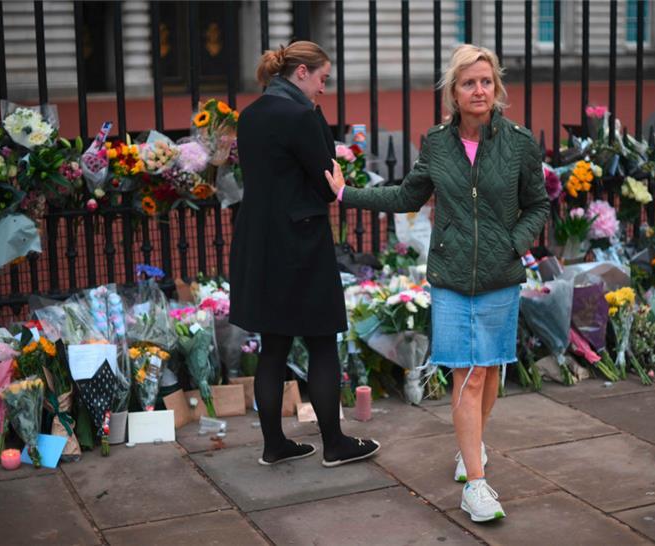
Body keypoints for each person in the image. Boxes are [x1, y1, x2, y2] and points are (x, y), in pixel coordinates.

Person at [325, 44, 549, 522]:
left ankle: (472, 446)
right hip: (451, 276)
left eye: (486, 81)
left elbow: (538, 204)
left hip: (501, 274)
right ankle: (476, 486)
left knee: (489, 369)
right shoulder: (437, 143)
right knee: (468, 376)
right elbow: (406, 196)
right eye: (469, 83)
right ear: (453, 92)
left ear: (496, 87)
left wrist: (514, 243)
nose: (479, 90)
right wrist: (346, 193)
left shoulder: (519, 143)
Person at [229, 41, 380, 467]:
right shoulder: (301, 116)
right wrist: (319, 125)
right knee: (322, 341)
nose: (323, 88)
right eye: (321, 78)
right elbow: (328, 183)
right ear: (301, 72)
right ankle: (335, 444)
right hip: (300, 241)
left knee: (273, 345)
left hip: (258, 240)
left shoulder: (251, 114)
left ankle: (274, 445)